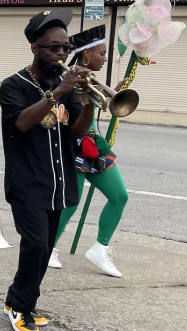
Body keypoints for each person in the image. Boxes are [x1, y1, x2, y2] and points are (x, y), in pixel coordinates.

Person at [0, 9, 95, 331]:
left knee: (45, 246)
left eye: (65, 48)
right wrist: (58, 92)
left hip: (60, 180)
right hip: (28, 180)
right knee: (35, 245)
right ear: (35, 48)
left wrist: (88, 100)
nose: (60, 53)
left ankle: (24, 301)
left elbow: (76, 133)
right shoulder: (14, 85)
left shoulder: (67, 86)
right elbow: (22, 123)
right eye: (53, 47)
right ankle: (19, 307)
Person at [49, 26, 129, 277]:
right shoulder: (68, 79)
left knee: (120, 196)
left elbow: (94, 111)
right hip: (75, 146)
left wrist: (111, 92)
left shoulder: (90, 79)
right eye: (102, 53)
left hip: (94, 144)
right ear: (85, 56)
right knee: (71, 203)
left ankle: (100, 248)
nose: (105, 58)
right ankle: (47, 247)